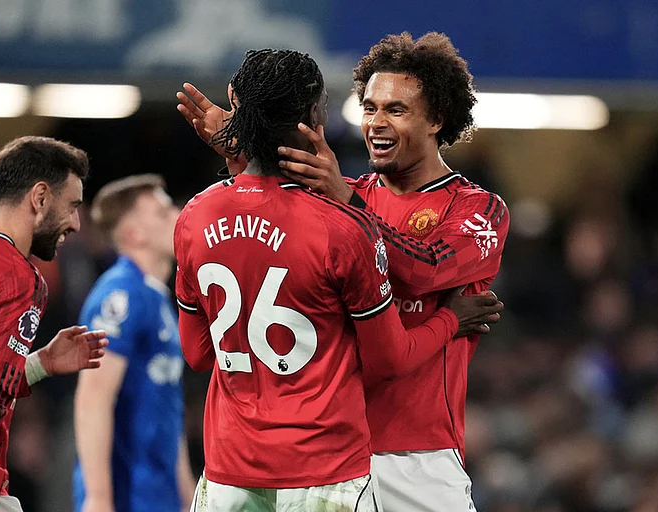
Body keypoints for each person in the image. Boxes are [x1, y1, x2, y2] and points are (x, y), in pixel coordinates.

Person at [177, 32, 509, 511]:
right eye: (369, 108)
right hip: (328, 455)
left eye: (396, 110)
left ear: (437, 119)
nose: (376, 122)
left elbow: (426, 267)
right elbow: (264, 206)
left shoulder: (477, 209)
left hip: (415, 456)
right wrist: (244, 143)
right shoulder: (337, 199)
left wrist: (345, 198)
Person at [0, 136, 108, 512]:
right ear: (41, 198)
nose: (76, 224)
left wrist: (40, 363)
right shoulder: (18, 277)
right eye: (72, 206)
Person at [72, 175, 196, 512]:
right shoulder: (120, 296)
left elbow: (169, 412)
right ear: (134, 234)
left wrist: (187, 497)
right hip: (127, 496)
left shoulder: (156, 299)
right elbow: (93, 399)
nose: (178, 214)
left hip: (160, 496)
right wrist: (98, 498)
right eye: (162, 211)